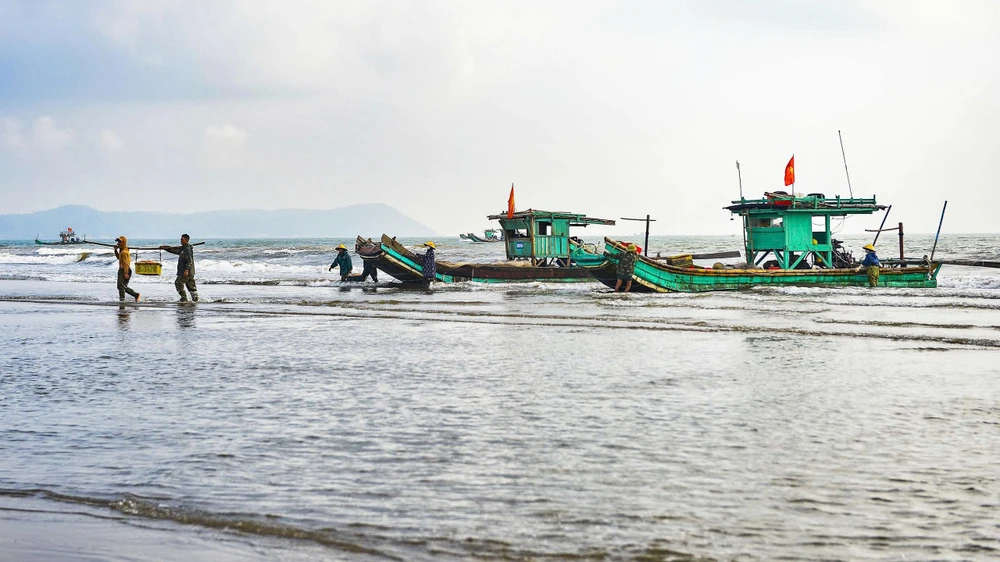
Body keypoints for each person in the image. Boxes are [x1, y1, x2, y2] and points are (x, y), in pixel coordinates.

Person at [160, 234, 198, 302]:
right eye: (180, 239)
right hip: (188, 272)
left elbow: (189, 261)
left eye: (182, 239)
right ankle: (195, 300)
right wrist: (166, 248)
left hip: (186, 272)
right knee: (191, 287)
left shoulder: (187, 249)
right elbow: (175, 250)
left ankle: (184, 298)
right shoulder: (183, 248)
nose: (181, 240)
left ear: (186, 240)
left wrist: (186, 270)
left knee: (178, 283)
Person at [114, 236, 140, 302]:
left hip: (124, 269)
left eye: (119, 242)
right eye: (118, 242)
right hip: (122, 269)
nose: (118, 243)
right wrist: (115, 250)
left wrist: (126, 273)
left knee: (121, 286)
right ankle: (135, 295)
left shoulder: (124, 252)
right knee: (121, 286)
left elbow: (126, 263)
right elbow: (118, 257)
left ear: (123, 243)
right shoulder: (122, 251)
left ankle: (122, 300)